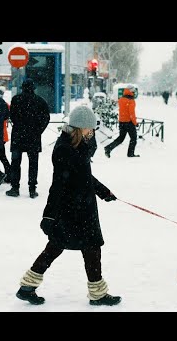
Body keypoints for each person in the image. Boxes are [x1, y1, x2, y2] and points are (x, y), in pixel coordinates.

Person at [15, 105, 121, 306]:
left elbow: (84, 175)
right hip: (72, 210)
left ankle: (28, 287)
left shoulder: (78, 146)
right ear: (81, 128)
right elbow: (58, 184)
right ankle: (96, 294)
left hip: (81, 207)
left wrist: (103, 191)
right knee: (74, 247)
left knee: (75, 248)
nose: (92, 132)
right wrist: (49, 215)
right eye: (90, 128)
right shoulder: (65, 149)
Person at [6, 78, 50, 198]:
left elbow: (12, 116)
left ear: (22, 88)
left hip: (18, 135)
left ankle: (15, 188)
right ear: (33, 88)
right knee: (33, 163)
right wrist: (38, 130)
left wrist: (19, 125)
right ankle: (32, 189)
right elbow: (46, 118)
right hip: (33, 137)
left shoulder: (16, 100)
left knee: (15, 162)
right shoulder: (40, 101)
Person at [104, 85, 140, 158]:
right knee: (133, 138)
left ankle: (108, 148)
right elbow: (132, 113)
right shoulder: (131, 100)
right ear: (131, 91)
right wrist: (135, 123)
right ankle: (130, 153)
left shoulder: (121, 99)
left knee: (121, 138)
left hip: (121, 122)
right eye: (133, 91)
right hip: (129, 122)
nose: (134, 92)